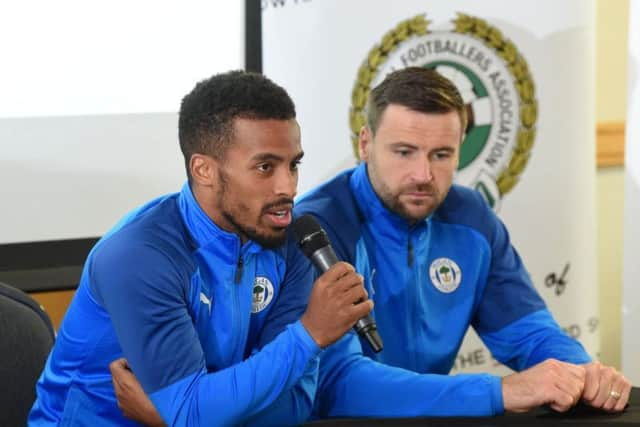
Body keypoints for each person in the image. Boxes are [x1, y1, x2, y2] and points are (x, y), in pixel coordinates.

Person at [28, 70, 372, 426]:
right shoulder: (138, 256)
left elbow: (295, 403)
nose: (287, 187)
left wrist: (176, 419)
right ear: (204, 169)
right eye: (265, 167)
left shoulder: (292, 239)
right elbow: (192, 410)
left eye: (293, 165)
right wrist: (309, 335)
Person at [292, 66, 631, 417]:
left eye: (441, 155)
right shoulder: (317, 229)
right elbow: (337, 384)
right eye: (404, 152)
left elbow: (527, 332)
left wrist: (580, 373)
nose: (423, 175)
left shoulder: (470, 217)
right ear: (366, 144)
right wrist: (498, 392)